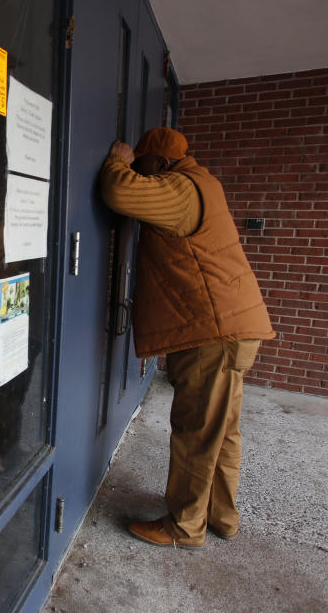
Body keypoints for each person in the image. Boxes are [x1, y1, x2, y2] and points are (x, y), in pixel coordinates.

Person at [99, 127, 276, 548]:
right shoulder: (205, 183)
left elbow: (119, 193)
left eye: (144, 164)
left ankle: (184, 526)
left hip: (212, 332)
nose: (143, 173)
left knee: (196, 430)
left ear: (159, 162)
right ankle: (221, 517)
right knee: (222, 430)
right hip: (231, 327)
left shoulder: (180, 189)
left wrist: (118, 160)